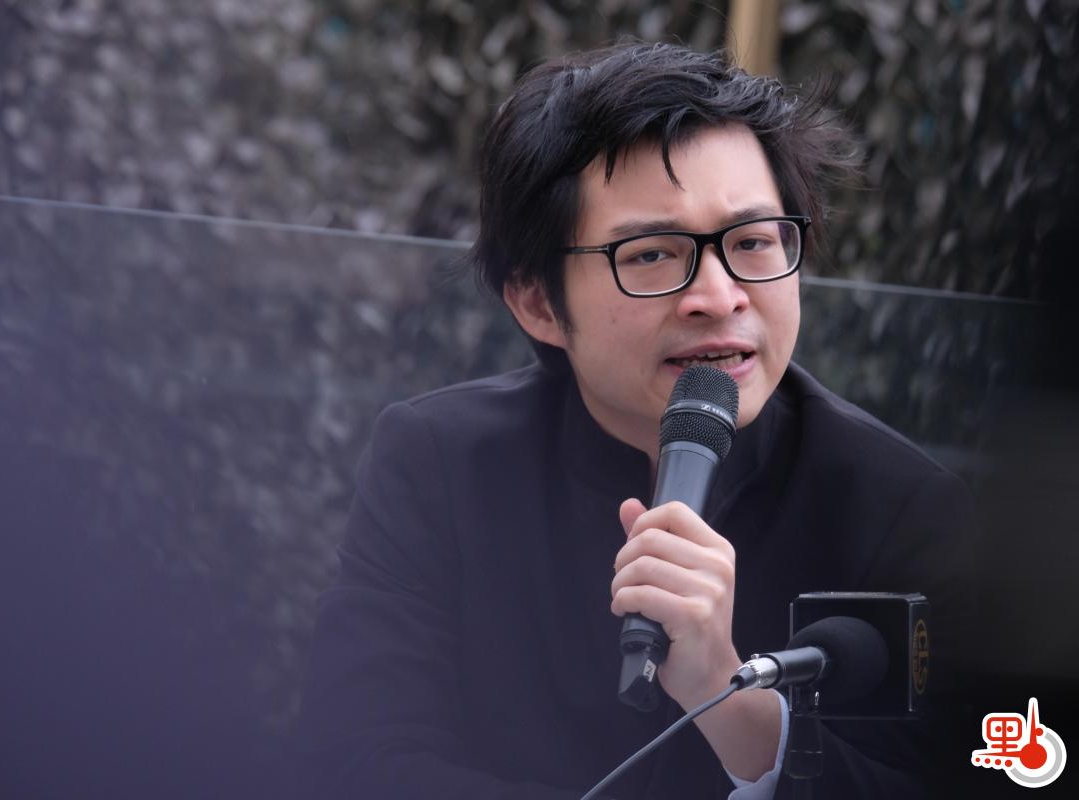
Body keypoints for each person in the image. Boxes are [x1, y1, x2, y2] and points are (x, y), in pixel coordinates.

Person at [290, 42, 973, 799]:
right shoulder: (440, 463)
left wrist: (729, 695)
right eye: (651, 255)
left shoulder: (902, 507)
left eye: (752, 242)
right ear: (537, 302)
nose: (719, 296)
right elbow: (353, 764)